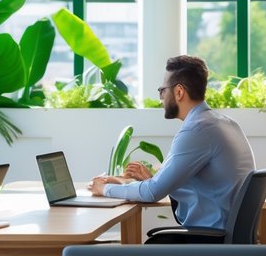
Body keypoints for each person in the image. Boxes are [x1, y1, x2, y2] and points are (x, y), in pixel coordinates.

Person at [89, 55, 254, 241]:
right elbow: (162, 185)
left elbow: (152, 192)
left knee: (146, 249)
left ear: (179, 92)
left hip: (210, 240)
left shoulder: (197, 130)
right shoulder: (225, 123)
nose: (161, 97)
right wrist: (138, 182)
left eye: (162, 90)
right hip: (229, 237)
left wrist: (104, 189)